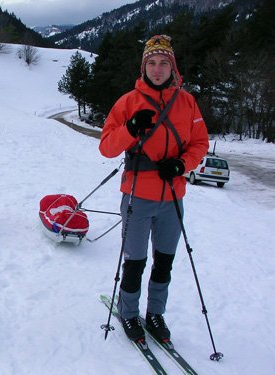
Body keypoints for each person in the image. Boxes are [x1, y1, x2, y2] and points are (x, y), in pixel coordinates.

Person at [99, 35, 209, 342]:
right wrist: (131, 128)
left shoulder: (187, 102)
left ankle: (156, 313)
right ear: (143, 66)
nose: (157, 69)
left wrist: (181, 165)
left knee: (165, 261)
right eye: (151, 63)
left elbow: (200, 143)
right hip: (137, 195)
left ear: (172, 67)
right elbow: (106, 147)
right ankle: (129, 313)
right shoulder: (128, 102)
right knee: (135, 261)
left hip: (173, 197)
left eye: (163, 63)